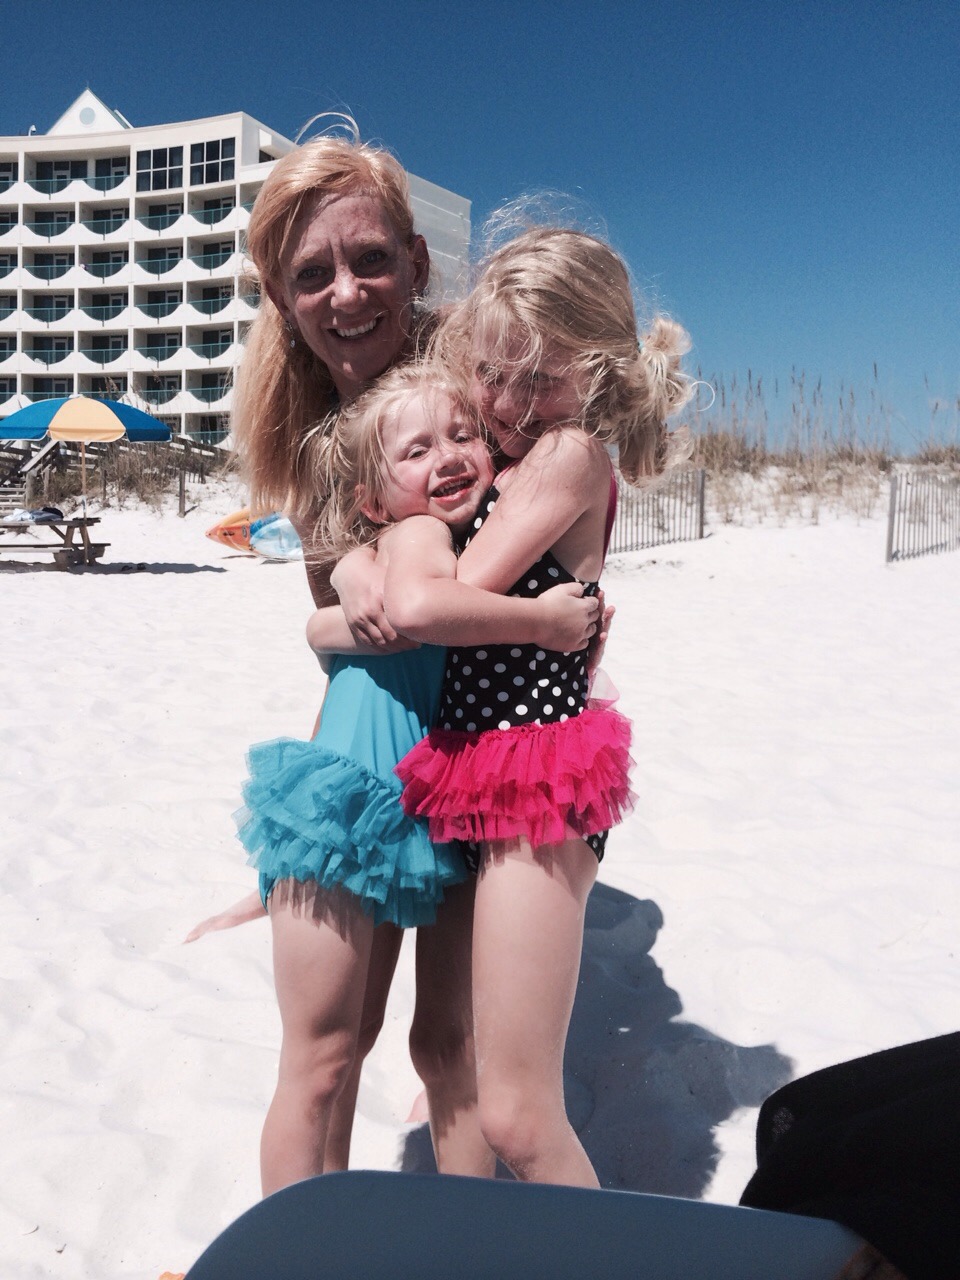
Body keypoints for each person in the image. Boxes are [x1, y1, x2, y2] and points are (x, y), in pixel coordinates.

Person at [336, 226, 693, 1186]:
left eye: (539, 379)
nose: (505, 404)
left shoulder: (568, 453)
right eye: (492, 375)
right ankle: (486, 1234)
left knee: (519, 1114)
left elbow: (443, 599)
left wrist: (394, 557)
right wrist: (365, 563)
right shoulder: (505, 452)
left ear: (599, 373)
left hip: (540, 769)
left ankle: (602, 1249)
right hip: (471, 765)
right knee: (448, 1053)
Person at [237, 365, 600, 1193]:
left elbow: (339, 629)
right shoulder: (419, 540)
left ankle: (388, 1224)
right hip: (348, 803)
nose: (448, 456)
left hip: (423, 808)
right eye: (418, 449)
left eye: (464, 435)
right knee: (327, 1056)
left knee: (375, 1049)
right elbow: (414, 617)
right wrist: (544, 621)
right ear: (373, 499)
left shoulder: (469, 546)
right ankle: (302, 1241)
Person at [213, 126, 495, 1179]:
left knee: (450, 1047)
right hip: (378, 747)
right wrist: (333, 614)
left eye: (371, 258)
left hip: (489, 751)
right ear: (280, 298)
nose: (346, 293)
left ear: (416, 263)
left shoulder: (479, 398)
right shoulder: (307, 441)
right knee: (332, 1050)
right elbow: (343, 637)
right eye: (311, 274)